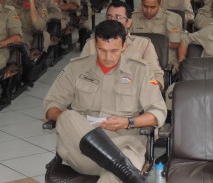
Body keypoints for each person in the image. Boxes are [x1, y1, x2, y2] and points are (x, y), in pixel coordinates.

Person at [43, 19, 166, 183]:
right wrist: (75, 121)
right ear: (95, 45)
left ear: (124, 46)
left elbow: (158, 113)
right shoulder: (75, 68)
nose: (108, 57)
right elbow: (51, 105)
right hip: (83, 152)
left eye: (114, 50)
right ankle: (125, 170)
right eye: (102, 50)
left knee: (116, 174)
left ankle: (121, 168)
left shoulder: (141, 71)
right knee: (67, 116)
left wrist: (127, 122)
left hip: (124, 146)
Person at [81, 1, 164, 88]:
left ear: (129, 22)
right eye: (109, 17)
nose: (112, 21)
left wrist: (148, 88)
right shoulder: (91, 44)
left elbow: (157, 76)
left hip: (132, 92)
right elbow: (80, 72)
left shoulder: (143, 44)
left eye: (118, 17)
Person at [130, 0, 187, 67]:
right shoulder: (134, 17)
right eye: (145, 6)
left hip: (163, 63)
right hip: (138, 61)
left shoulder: (172, 18)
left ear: (160, 5)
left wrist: (147, 45)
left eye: (152, 7)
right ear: (141, 4)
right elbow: (127, 41)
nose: (148, 10)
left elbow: (175, 43)